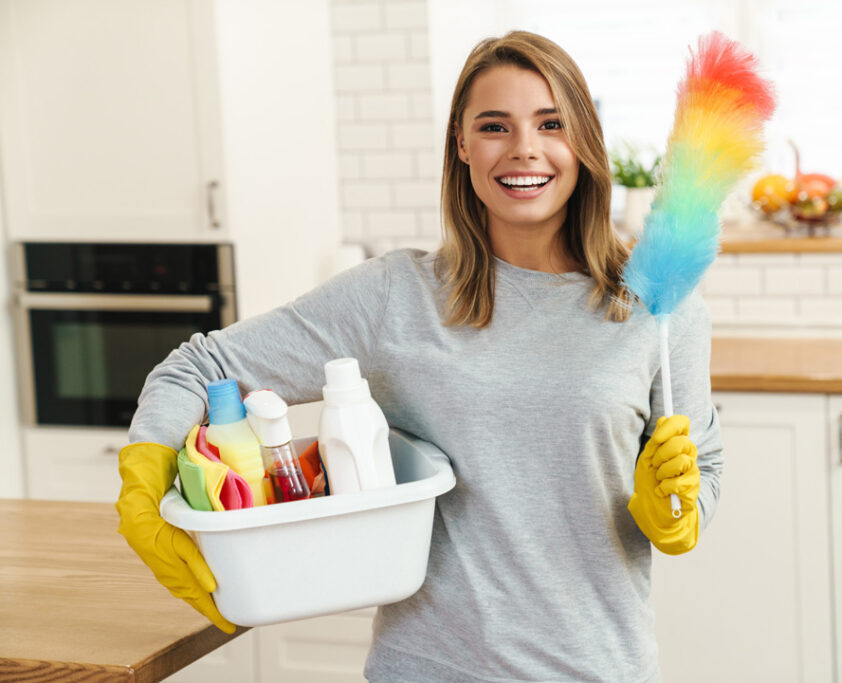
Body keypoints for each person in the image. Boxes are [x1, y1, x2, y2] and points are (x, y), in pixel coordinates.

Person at [115, 30, 723, 683]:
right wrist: (145, 473)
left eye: (551, 123)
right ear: (462, 145)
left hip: (597, 667)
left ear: (584, 142)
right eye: (495, 125)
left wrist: (678, 509)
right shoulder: (394, 297)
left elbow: (705, 468)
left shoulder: (659, 311)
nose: (524, 148)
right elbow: (197, 367)